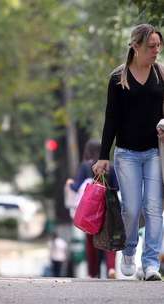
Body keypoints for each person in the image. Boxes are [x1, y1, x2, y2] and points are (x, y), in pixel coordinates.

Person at [92, 24, 164, 281]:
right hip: (127, 155)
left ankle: (152, 263)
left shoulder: (161, 74)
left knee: (154, 207)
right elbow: (111, 119)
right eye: (151, 46)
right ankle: (130, 251)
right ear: (135, 46)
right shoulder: (117, 78)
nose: (156, 50)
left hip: (155, 153)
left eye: (158, 45)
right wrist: (103, 155)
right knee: (132, 208)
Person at [66, 139, 118, 279]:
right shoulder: (110, 167)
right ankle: (111, 268)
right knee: (109, 238)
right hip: (107, 208)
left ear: (87, 150)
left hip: (91, 211)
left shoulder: (85, 166)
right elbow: (116, 187)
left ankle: (92, 273)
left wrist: (70, 183)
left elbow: (77, 187)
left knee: (90, 241)